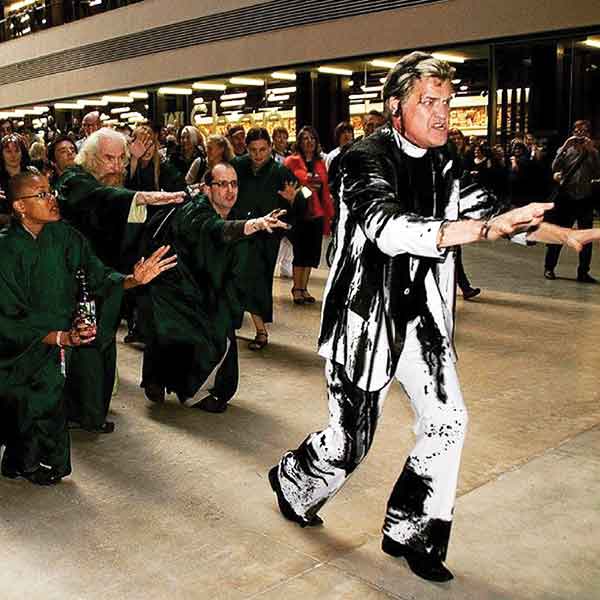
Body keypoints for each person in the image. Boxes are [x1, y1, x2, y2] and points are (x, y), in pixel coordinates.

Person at [268, 51, 600, 583]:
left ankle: (412, 528)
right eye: (430, 102)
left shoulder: (447, 163)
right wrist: (483, 230)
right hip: (365, 320)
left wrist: (566, 235)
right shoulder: (361, 158)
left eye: (447, 102)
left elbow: (492, 215)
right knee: (350, 442)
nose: (443, 113)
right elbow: (391, 228)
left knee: (449, 420)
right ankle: (293, 481)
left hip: (422, 318)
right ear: (396, 107)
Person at [0, 168, 176, 484]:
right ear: (20, 207)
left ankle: (37, 463)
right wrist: (55, 336)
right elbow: (6, 316)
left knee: (48, 398)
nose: (52, 199)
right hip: (17, 345)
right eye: (41, 194)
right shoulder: (5, 250)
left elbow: (96, 276)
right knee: (22, 404)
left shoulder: (65, 236)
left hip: (54, 346)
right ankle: (20, 460)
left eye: (51, 191)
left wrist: (132, 279)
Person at [54, 127, 185, 432]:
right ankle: (78, 412)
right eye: (107, 158)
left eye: (120, 159)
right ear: (89, 157)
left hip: (109, 282)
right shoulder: (75, 180)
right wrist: (139, 197)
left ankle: (92, 411)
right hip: (76, 282)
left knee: (101, 345)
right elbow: (101, 198)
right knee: (81, 349)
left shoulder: (114, 184)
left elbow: (126, 214)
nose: (115, 165)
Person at [138, 163, 290, 412]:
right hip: (173, 288)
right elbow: (215, 231)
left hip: (200, 286)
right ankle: (187, 390)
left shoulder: (228, 208)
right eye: (222, 184)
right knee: (192, 337)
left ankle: (167, 381)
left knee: (207, 334)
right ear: (207, 188)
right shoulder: (194, 213)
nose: (230, 191)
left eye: (234, 184)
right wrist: (253, 225)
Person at [231, 127, 301, 349]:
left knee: (258, 281)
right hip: (238, 231)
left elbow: (306, 195)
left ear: (270, 148)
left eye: (262, 150)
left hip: (266, 237)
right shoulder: (237, 167)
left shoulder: (282, 172)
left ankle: (261, 331)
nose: (258, 155)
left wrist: (293, 200)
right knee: (231, 277)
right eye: (253, 150)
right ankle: (229, 323)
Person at [544, 120, 600, 283]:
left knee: (585, 238)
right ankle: (549, 268)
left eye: (583, 130)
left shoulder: (593, 152)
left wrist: (592, 152)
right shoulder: (566, 150)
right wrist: (565, 146)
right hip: (566, 198)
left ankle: (583, 272)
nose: (580, 133)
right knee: (559, 235)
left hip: (584, 198)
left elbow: (597, 171)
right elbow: (554, 167)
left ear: (589, 134)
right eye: (577, 130)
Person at [284, 126, 334, 305]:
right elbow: (288, 188)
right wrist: (306, 190)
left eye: (312, 138)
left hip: (317, 214)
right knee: (300, 252)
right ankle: (296, 288)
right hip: (300, 214)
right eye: (305, 138)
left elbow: (325, 190)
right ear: (299, 141)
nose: (309, 141)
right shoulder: (291, 162)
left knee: (312, 254)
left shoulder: (321, 162)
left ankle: (304, 288)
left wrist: (329, 215)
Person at [0, 133, 31, 219]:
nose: (13, 155)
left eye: (17, 151)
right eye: (8, 151)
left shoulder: (32, 173)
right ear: (2, 154)